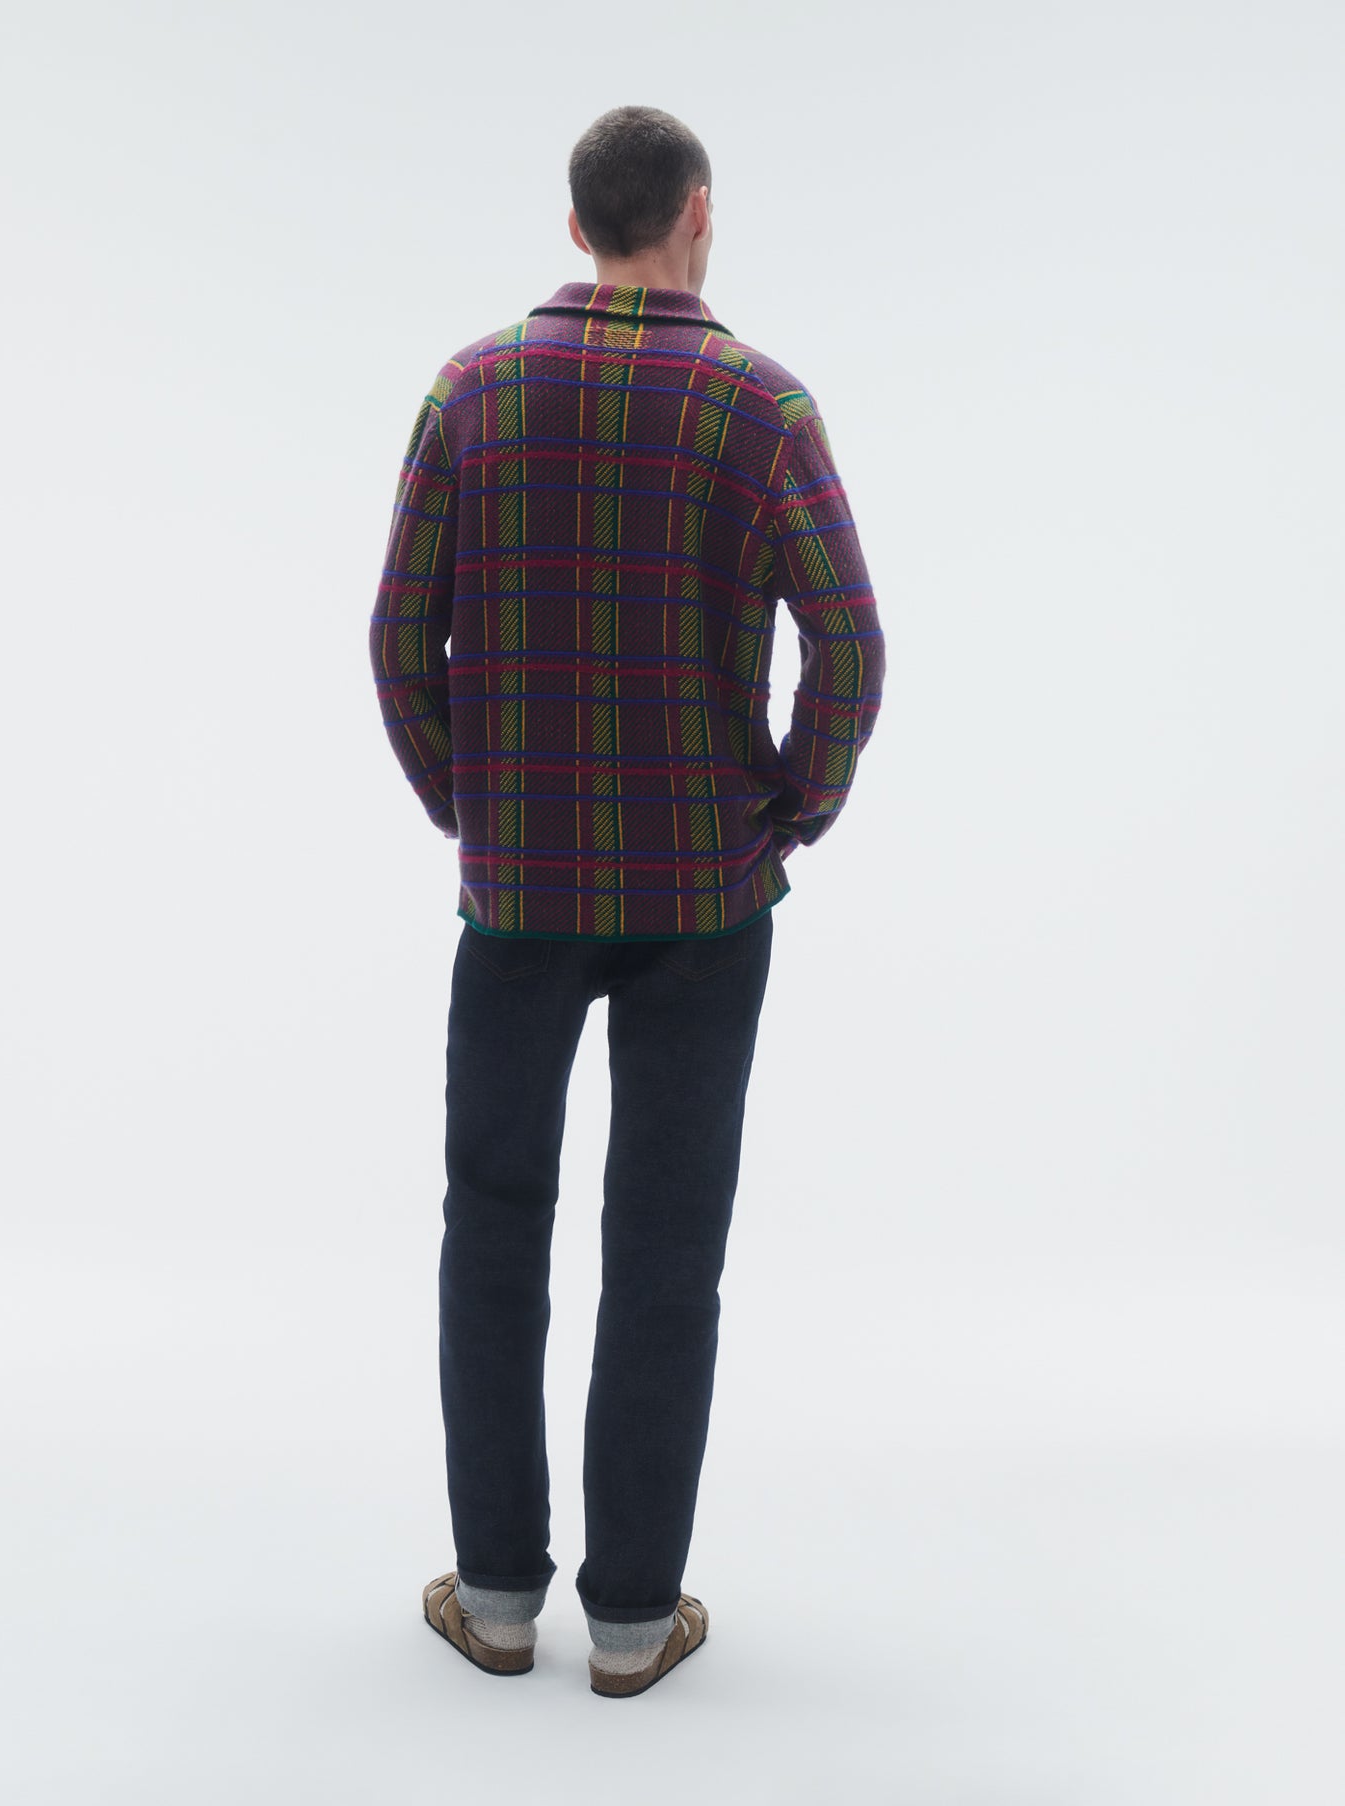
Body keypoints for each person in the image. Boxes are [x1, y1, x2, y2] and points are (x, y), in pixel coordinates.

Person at [371, 104, 886, 1697]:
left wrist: (470, 804)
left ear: (576, 223)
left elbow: (397, 637)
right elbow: (851, 644)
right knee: (667, 1242)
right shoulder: (761, 405)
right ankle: (631, 1620)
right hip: (703, 898)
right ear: (698, 214)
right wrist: (789, 804)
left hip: (517, 892)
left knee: (491, 1226)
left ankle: (496, 1599)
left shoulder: (472, 390)